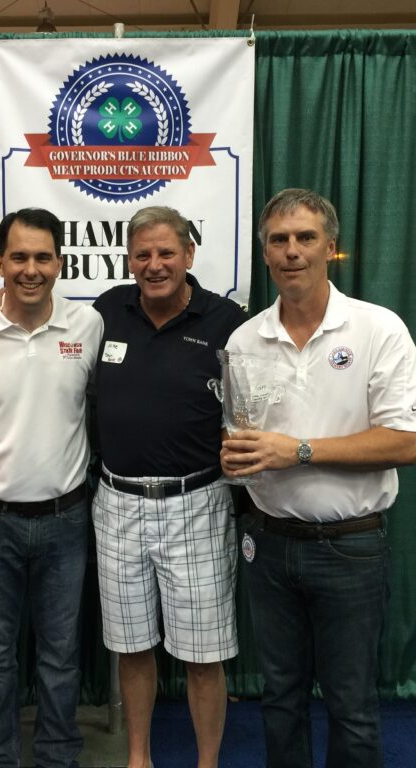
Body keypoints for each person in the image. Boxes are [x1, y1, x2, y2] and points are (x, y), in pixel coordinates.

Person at [221, 188, 416, 768]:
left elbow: (408, 442)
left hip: (351, 546)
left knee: (351, 704)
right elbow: (245, 434)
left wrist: (301, 450)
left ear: (330, 248)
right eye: (279, 240)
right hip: (268, 543)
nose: (292, 252)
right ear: (264, 253)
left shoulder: (377, 329)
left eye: (305, 238)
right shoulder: (244, 340)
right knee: (279, 699)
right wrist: (236, 457)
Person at [91, 206, 246, 768]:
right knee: (131, 647)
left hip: (197, 503)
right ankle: (139, 758)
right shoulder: (106, 312)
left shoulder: (227, 321)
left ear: (189, 255)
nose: (154, 265)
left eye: (166, 253)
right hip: (117, 502)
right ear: (128, 259)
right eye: (142, 255)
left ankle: (207, 763)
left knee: (204, 655)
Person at [0, 208, 103, 768]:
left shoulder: (88, 326)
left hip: (67, 518)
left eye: (43, 257)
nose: (31, 269)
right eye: (19, 257)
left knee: (60, 655)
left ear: (61, 262)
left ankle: (58, 756)